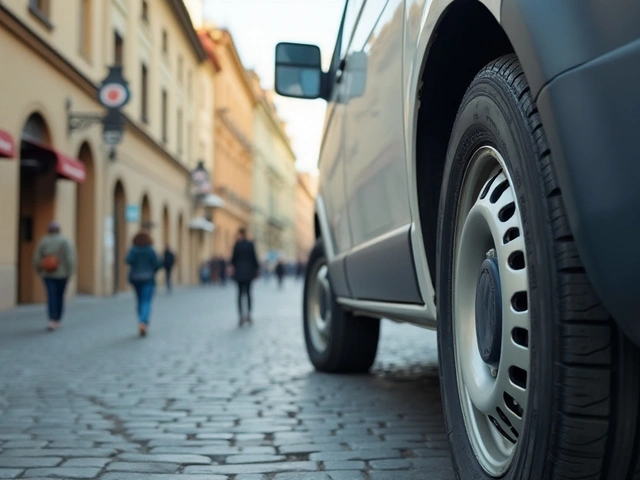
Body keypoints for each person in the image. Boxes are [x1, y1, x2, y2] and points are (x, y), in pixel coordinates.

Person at [33, 221, 77, 331]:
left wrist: (39, 270)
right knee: (60, 296)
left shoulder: (43, 241)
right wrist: (70, 272)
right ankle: (57, 319)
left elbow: (36, 258)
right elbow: (70, 258)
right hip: (62, 275)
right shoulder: (65, 241)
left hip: (48, 274)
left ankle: (51, 319)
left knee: (51, 296)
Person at [126, 231, 162, 337]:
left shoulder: (134, 249)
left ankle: (141, 320)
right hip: (148, 278)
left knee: (139, 300)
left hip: (136, 278)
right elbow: (157, 264)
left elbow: (128, 260)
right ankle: (143, 322)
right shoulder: (150, 250)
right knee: (146, 301)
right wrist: (152, 269)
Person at [230, 227, 259, 326]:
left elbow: (233, 260)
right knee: (248, 293)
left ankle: (241, 315)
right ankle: (249, 314)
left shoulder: (237, 245)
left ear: (240, 233)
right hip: (249, 272)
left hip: (239, 273)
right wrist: (256, 270)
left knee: (239, 294)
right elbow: (254, 259)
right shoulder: (250, 244)